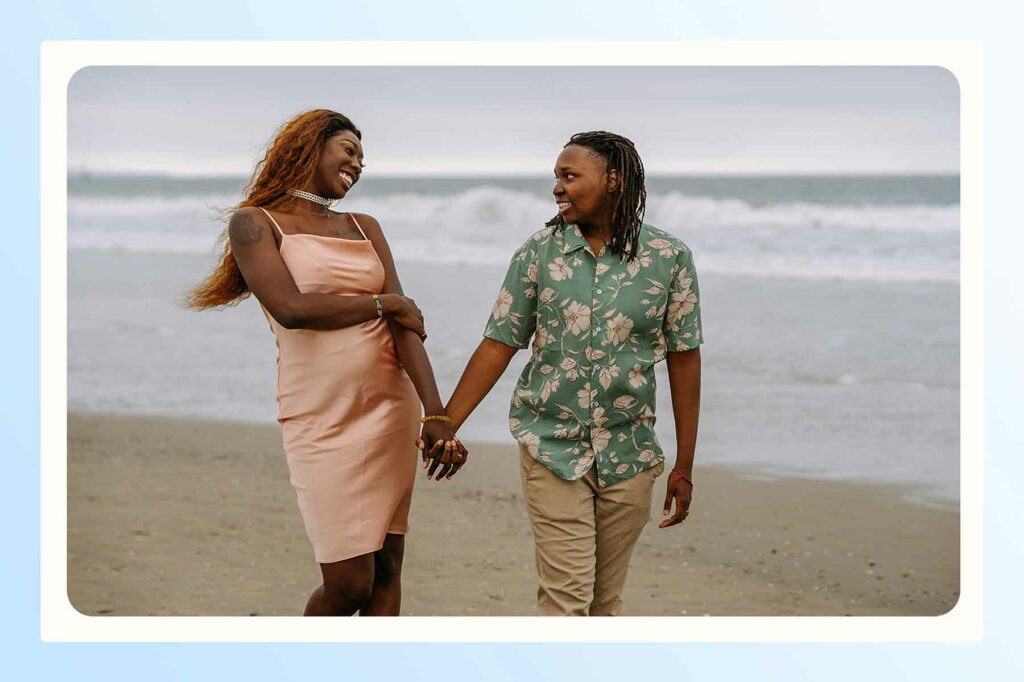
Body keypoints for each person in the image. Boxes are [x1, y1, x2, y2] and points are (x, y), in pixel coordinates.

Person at [187, 109, 464, 616]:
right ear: (309, 147)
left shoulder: (366, 226)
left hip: (390, 408)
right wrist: (384, 303)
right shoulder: (254, 223)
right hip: (319, 413)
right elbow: (291, 310)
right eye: (349, 150)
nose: (357, 165)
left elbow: (405, 327)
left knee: (386, 571)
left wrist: (436, 412)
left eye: (362, 157)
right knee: (348, 584)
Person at [436, 130, 702, 616]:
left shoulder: (669, 258)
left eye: (569, 175)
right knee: (566, 601)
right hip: (551, 445)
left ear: (614, 179)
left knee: (604, 605)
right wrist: (445, 422)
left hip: (630, 454)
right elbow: (499, 343)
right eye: (556, 177)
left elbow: (685, 359)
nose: (557, 187)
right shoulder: (538, 253)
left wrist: (684, 465)